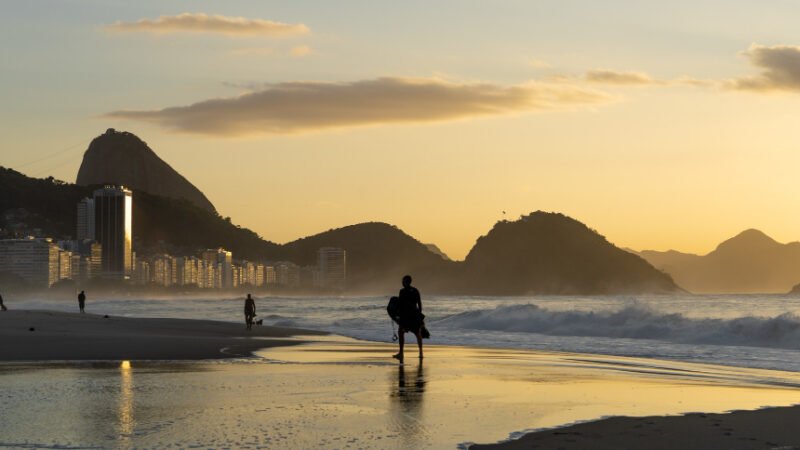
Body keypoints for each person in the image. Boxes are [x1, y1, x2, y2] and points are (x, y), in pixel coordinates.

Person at [393, 275, 424, 362]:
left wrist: (397, 315)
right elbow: (419, 303)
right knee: (418, 333)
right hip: (414, 314)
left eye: (403, 281)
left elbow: (400, 305)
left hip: (406, 316)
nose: (402, 282)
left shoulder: (402, 291)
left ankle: (401, 353)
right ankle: (421, 353)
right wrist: (419, 315)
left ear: (406, 282)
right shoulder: (415, 290)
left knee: (401, 332)